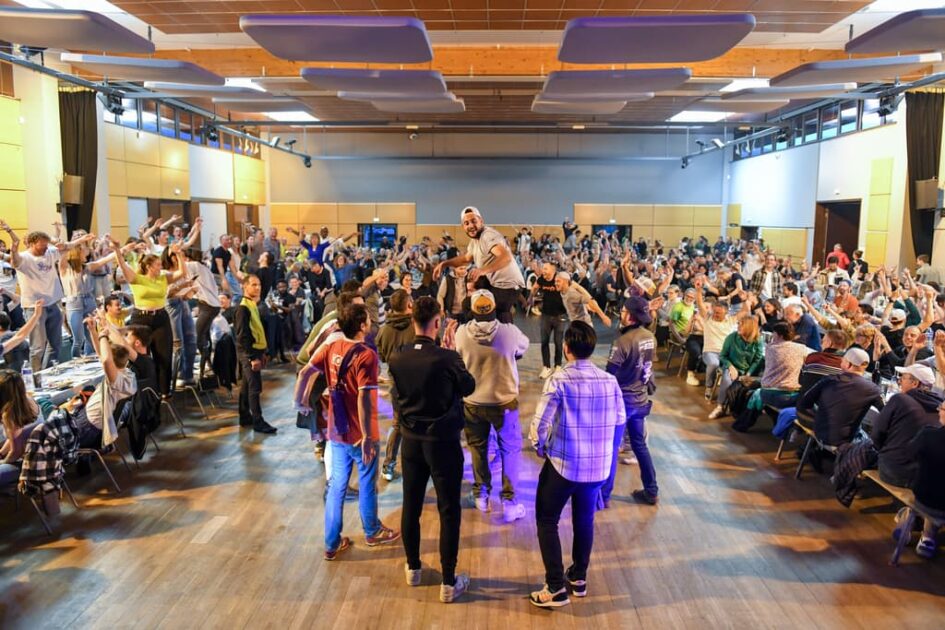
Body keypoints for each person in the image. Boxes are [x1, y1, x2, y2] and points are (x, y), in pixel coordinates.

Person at [528, 321, 625, 608]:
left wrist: (539, 447)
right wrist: (608, 454)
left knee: (547, 520)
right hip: (597, 469)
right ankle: (578, 577)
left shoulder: (559, 379)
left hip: (564, 465)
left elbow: (539, 425)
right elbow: (620, 421)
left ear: (566, 347)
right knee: (585, 520)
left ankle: (555, 587)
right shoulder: (609, 381)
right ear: (592, 348)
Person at [388, 297, 476, 603]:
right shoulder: (447, 358)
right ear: (437, 323)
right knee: (448, 510)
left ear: (413, 319)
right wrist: (451, 352)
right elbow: (469, 387)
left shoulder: (397, 356)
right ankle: (449, 581)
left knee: (411, 505)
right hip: (443, 442)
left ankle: (413, 567)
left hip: (411, 441)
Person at [297, 303, 400, 560]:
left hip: (336, 430)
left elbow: (305, 370)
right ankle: (372, 531)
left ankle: (331, 544)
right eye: (368, 319)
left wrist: (300, 401)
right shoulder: (366, 355)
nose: (371, 322)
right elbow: (364, 400)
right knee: (367, 483)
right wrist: (367, 437)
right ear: (362, 326)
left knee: (336, 486)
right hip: (360, 432)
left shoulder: (331, 346)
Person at [454, 289, 530, 521]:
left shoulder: (461, 333)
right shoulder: (509, 332)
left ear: (472, 311)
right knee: (510, 450)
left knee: (478, 449)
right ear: (494, 309)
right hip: (504, 402)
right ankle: (509, 502)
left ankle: (481, 496)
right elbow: (523, 347)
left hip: (473, 401)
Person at [110, 239, 185, 397]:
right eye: (157, 265)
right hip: (141, 319)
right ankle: (142, 391)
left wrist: (179, 254)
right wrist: (117, 249)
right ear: (149, 266)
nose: (160, 267)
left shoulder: (163, 278)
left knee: (163, 356)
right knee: (139, 355)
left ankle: (163, 392)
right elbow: (122, 265)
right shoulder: (137, 278)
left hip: (160, 318)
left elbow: (181, 273)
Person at [603, 296, 658, 507]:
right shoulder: (650, 337)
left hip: (621, 402)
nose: (621, 314)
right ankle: (651, 491)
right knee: (640, 445)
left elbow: (610, 373)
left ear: (631, 316)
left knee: (612, 447)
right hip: (640, 400)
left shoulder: (623, 342)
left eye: (624, 311)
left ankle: (604, 495)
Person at [433, 207, 526, 323]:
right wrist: (445, 264)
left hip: (508, 286)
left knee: (476, 309)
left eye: (474, 221)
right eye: (466, 223)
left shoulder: (487, 235)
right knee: (471, 304)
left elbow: (506, 257)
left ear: (481, 221)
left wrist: (482, 271)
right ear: (463, 227)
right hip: (498, 285)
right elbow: (466, 258)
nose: (471, 226)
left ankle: (498, 330)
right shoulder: (475, 241)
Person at [796, 347, 884, 447]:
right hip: (846, 441)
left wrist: (823, 417)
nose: (841, 362)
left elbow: (804, 403)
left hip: (820, 434)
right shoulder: (873, 389)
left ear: (848, 364)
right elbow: (887, 412)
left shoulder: (828, 380)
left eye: (843, 360)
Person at [375, 289, 415, 482]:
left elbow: (382, 356)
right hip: (418, 382)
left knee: (397, 424)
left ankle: (388, 465)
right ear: (409, 305)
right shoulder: (416, 327)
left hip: (396, 384)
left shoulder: (384, 330)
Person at [233, 274, 277, 434]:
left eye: (259, 284)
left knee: (247, 386)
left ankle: (245, 417)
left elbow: (256, 330)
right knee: (254, 388)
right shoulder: (243, 308)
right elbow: (242, 336)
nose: (257, 287)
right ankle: (258, 421)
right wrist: (252, 357)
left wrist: (263, 352)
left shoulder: (252, 305)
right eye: (253, 285)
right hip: (249, 353)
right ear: (245, 286)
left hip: (254, 351)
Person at [906, 402, 945, 558]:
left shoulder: (928, 434)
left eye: (941, 408)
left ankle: (919, 530)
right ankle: (926, 536)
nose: (938, 410)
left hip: (925, 499)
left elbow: (909, 454)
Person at [709, 315, 764, 419]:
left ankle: (744, 410)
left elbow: (758, 360)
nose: (738, 326)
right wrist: (731, 367)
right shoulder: (731, 337)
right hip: (731, 365)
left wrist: (749, 373)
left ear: (749, 327)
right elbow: (722, 356)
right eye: (738, 324)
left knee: (755, 383)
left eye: (741, 325)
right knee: (727, 379)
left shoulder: (758, 340)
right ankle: (720, 407)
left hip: (748, 370)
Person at [0, 369, 43, 486]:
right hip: (44, 457)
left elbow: (16, 453)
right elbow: (17, 436)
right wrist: (1, 453)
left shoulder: (9, 415)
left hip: (28, 464)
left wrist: (2, 462)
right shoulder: (29, 400)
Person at [531, 262, 567, 379]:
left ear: (552, 270)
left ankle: (558, 366)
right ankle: (546, 367)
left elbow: (570, 288)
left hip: (560, 315)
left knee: (558, 342)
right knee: (544, 341)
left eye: (545, 268)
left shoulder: (559, 278)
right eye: (543, 268)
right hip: (546, 315)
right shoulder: (542, 279)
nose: (543, 270)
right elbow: (535, 287)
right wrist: (532, 295)